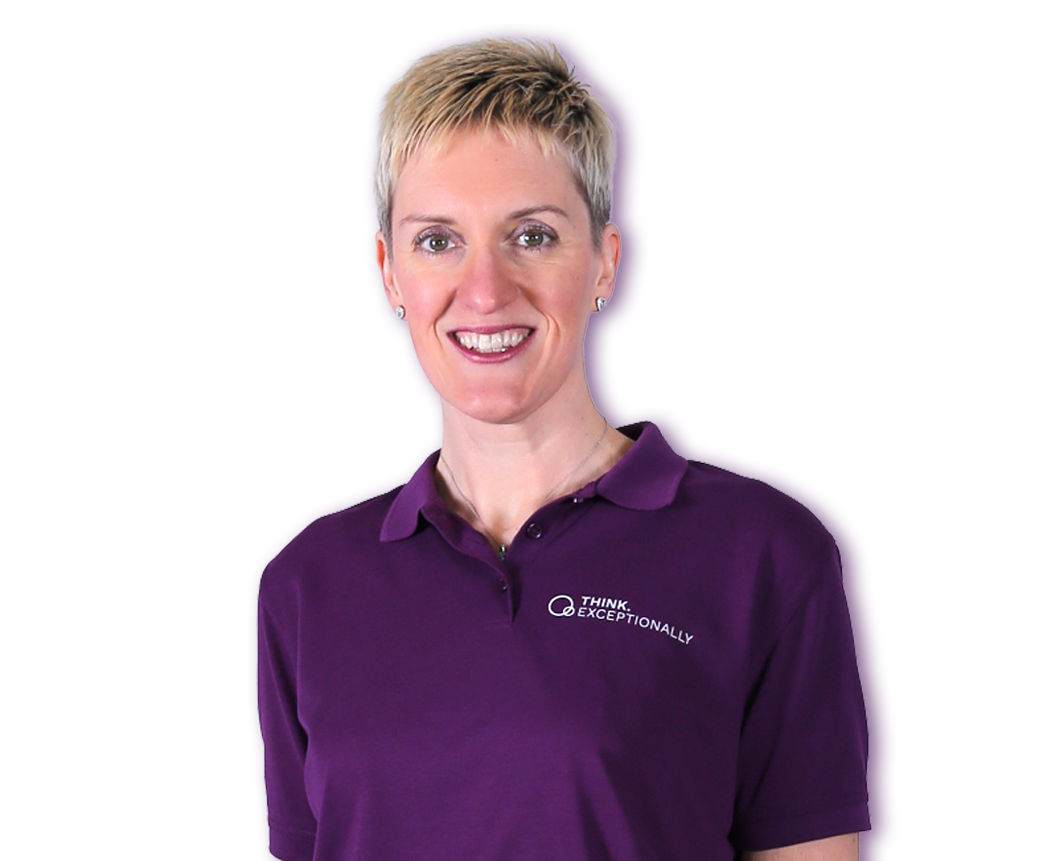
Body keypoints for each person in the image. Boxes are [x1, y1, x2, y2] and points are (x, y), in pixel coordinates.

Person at [256, 35, 870, 861]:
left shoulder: (763, 555)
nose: (484, 291)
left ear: (603, 263)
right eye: (437, 240)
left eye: (532, 235)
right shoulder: (305, 583)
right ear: (389, 272)